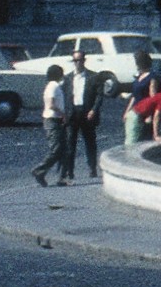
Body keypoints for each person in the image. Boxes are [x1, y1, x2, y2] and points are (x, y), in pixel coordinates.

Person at [59, 50, 113, 182]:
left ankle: (92, 168)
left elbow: (99, 96)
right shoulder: (68, 78)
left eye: (79, 60)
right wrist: (63, 113)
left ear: (84, 60)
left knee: (90, 142)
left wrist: (94, 110)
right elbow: (63, 96)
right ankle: (70, 171)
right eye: (75, 61)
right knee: (70, 143)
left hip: (87, 113)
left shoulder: (93, 77)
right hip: (72, 113)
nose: (77, 63)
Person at [32, 62, 74, 186]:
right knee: (56, 149)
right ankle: (39, 170)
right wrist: (63, 114)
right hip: (52, 120)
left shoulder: (53, 86)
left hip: (56, 120)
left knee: (64, 150)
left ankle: (62, 178)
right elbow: (51, 104)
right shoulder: (53, 86)